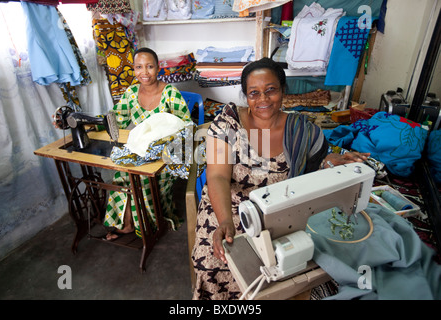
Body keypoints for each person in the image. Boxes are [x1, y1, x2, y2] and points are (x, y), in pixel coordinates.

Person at [191, 57, 370, 300]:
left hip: (276, 216)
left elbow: (312, 173)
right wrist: (224, 222)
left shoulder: (303, 131)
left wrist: (329, 162)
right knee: (213, 262)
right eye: (254, 93)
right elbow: (218, 176)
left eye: (270, 90)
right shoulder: (228, 122)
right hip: (227, 210)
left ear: (283, 90)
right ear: (246, 95)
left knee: (286, 270)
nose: (263, 99)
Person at [104, 47, 192, 240]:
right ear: (134, 69)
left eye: (149, 66)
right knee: (121, 173)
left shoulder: (170, 93)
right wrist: (91, 123)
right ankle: (128, 223)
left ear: (158, 67)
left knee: (141, 178)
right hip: (142, 150)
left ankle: (147, 224)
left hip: (166, 156)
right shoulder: (131, 93)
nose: (144, 72)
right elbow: (115, 119)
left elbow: (186, 126)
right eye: (139, 67)